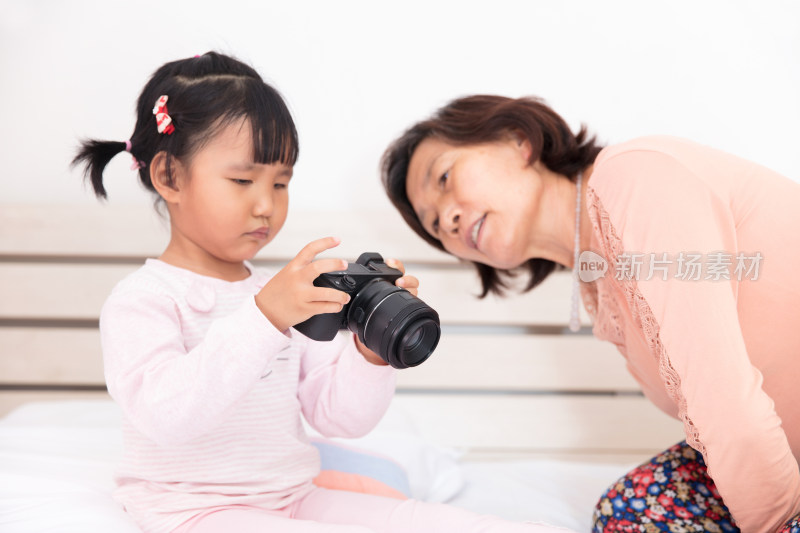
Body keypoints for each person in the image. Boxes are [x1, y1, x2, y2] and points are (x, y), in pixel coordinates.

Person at [72, 53, 573, 533]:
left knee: (441, 524)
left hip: (293, 496)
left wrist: (368, 351)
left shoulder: (277, 292)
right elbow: (166, 416)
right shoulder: (145, 299)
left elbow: (338, 417)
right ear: (168, 176)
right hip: (192, 512)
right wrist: (263, 319)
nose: (266, 205)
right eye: (242, 179)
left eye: (282, 183)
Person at [381, 94, 800, 533]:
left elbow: (722, 401)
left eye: (444, 177)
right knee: (628, 510)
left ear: (516, 140)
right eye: (432, 224)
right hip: (782, 458)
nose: (446, 218)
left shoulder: (634, 178)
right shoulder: (595, 280)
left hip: (769, 466)